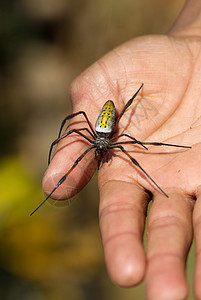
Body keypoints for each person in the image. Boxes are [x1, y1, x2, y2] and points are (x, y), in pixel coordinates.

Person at [42, 0, 201, 299]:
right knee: (80, 138)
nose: (103, 151)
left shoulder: (111, 140)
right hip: (101, 126)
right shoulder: (95, 137)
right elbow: (74, 122)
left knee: (135, 147)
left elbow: (134, 146)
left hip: (105, 124)